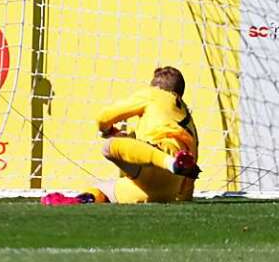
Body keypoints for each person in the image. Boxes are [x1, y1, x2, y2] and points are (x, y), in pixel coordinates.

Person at [42, 66, 200, 206]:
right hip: (167, 190)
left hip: (159, 162)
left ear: (155, 86)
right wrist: (183, 197)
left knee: (109, 146)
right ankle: (81, 200)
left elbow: (103, 117)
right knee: (102, 188)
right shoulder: (189, 121)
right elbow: (190, 178)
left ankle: (170, 162)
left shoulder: (154, 94)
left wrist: (106, 130)